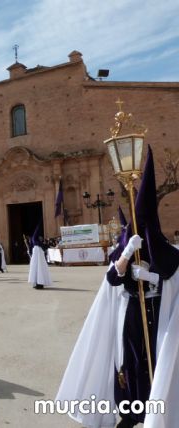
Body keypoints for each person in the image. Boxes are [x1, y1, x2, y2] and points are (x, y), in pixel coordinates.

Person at [57, 148, 179, 427]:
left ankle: (154, 412)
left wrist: (154, 279)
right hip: (131, 313)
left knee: (157, 364)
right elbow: (113, 280)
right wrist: (125, 256)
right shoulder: (127, 242)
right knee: (130, 363)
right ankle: (130, 412)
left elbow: (175, 282)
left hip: (159, 314)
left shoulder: (167, 252)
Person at [27, 222, 52, 289]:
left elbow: (34, 243)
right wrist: (45, 246)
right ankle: (38, 282)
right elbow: (35, 243)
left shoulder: (34, 237)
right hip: (37, 251)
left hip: (37, 251)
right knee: (38, 267)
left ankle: (39, 283)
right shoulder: (35, 237)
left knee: (38, 267)